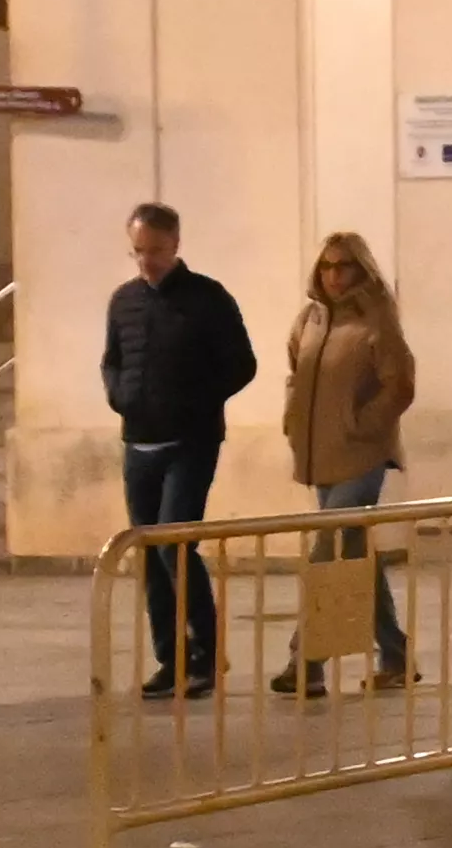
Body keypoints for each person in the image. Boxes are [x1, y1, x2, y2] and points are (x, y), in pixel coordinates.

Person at [104, 203, 259, 696]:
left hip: (190, 442)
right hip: (138, 443)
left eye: (155, 250)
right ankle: (169, 658)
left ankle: (204, 654)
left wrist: (195, 400)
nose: (146, 260)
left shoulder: (208, 299)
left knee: (175, 543)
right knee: (149, 552)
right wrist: (120, 395)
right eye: (138, 251)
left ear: (175, 244)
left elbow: (242, 364)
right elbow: (113, 360)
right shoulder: (124, 301)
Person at [271, 229, 420, 696]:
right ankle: (395, 656)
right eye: (328, 266)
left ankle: (306, 662)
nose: (335, 275)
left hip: (363, 454)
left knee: (327, 552)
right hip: (320, 454)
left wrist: (363, 423)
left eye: (344, 266)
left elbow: (400, 384)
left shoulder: (377, 320)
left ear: (361, 269)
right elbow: (296, 372)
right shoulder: (310, 319)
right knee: (355, 555)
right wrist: (293, 418)